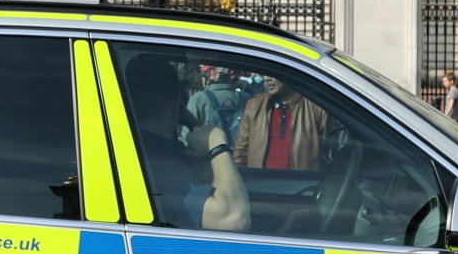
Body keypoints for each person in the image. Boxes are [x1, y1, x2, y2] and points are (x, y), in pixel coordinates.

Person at [117, 53, 250, 231]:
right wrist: (217, 144)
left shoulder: (131, 149)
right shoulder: (158, 165)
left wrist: (192, 123)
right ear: (178, 104)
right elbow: (234, 218)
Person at [236, 77, 333, 172]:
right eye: (265, 74)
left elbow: (329, 155)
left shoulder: (318, 108)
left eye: (272, 73)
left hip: (302, 186)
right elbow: (240, 155)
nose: (266, 78)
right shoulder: (254, 106)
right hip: (260, 185)